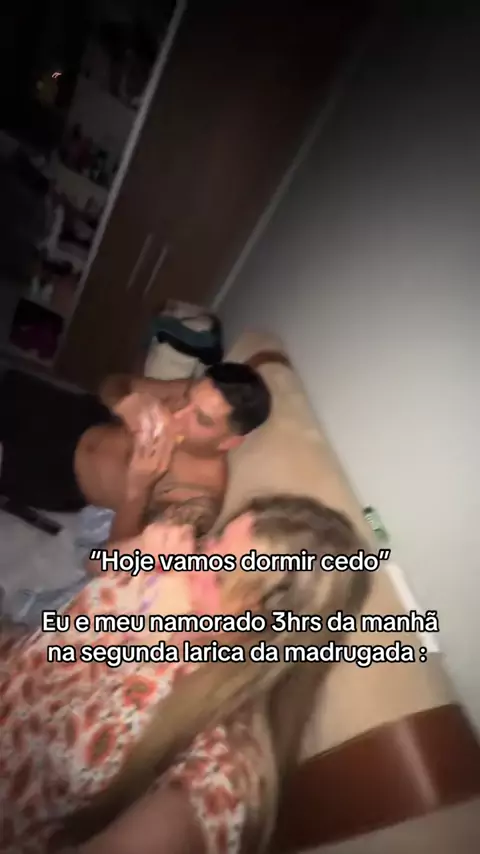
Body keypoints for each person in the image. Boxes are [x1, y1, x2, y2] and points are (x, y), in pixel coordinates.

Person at [0, 494, 370, 854]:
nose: (194, 566)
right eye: (212, 545)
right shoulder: (172, 583)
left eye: (221, 577)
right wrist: (138, 549)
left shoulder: (217, 776)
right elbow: (94, 565)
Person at [0, 361, 271, 540]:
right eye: (187, 398)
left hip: (57, 476)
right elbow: (112, 383)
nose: (177, 413)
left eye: (201, 419)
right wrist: (122, 402)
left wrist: (138, 490)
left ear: (229, 442)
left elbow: (121, 559)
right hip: (76, 415)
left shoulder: (198, 500)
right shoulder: (189, 394)